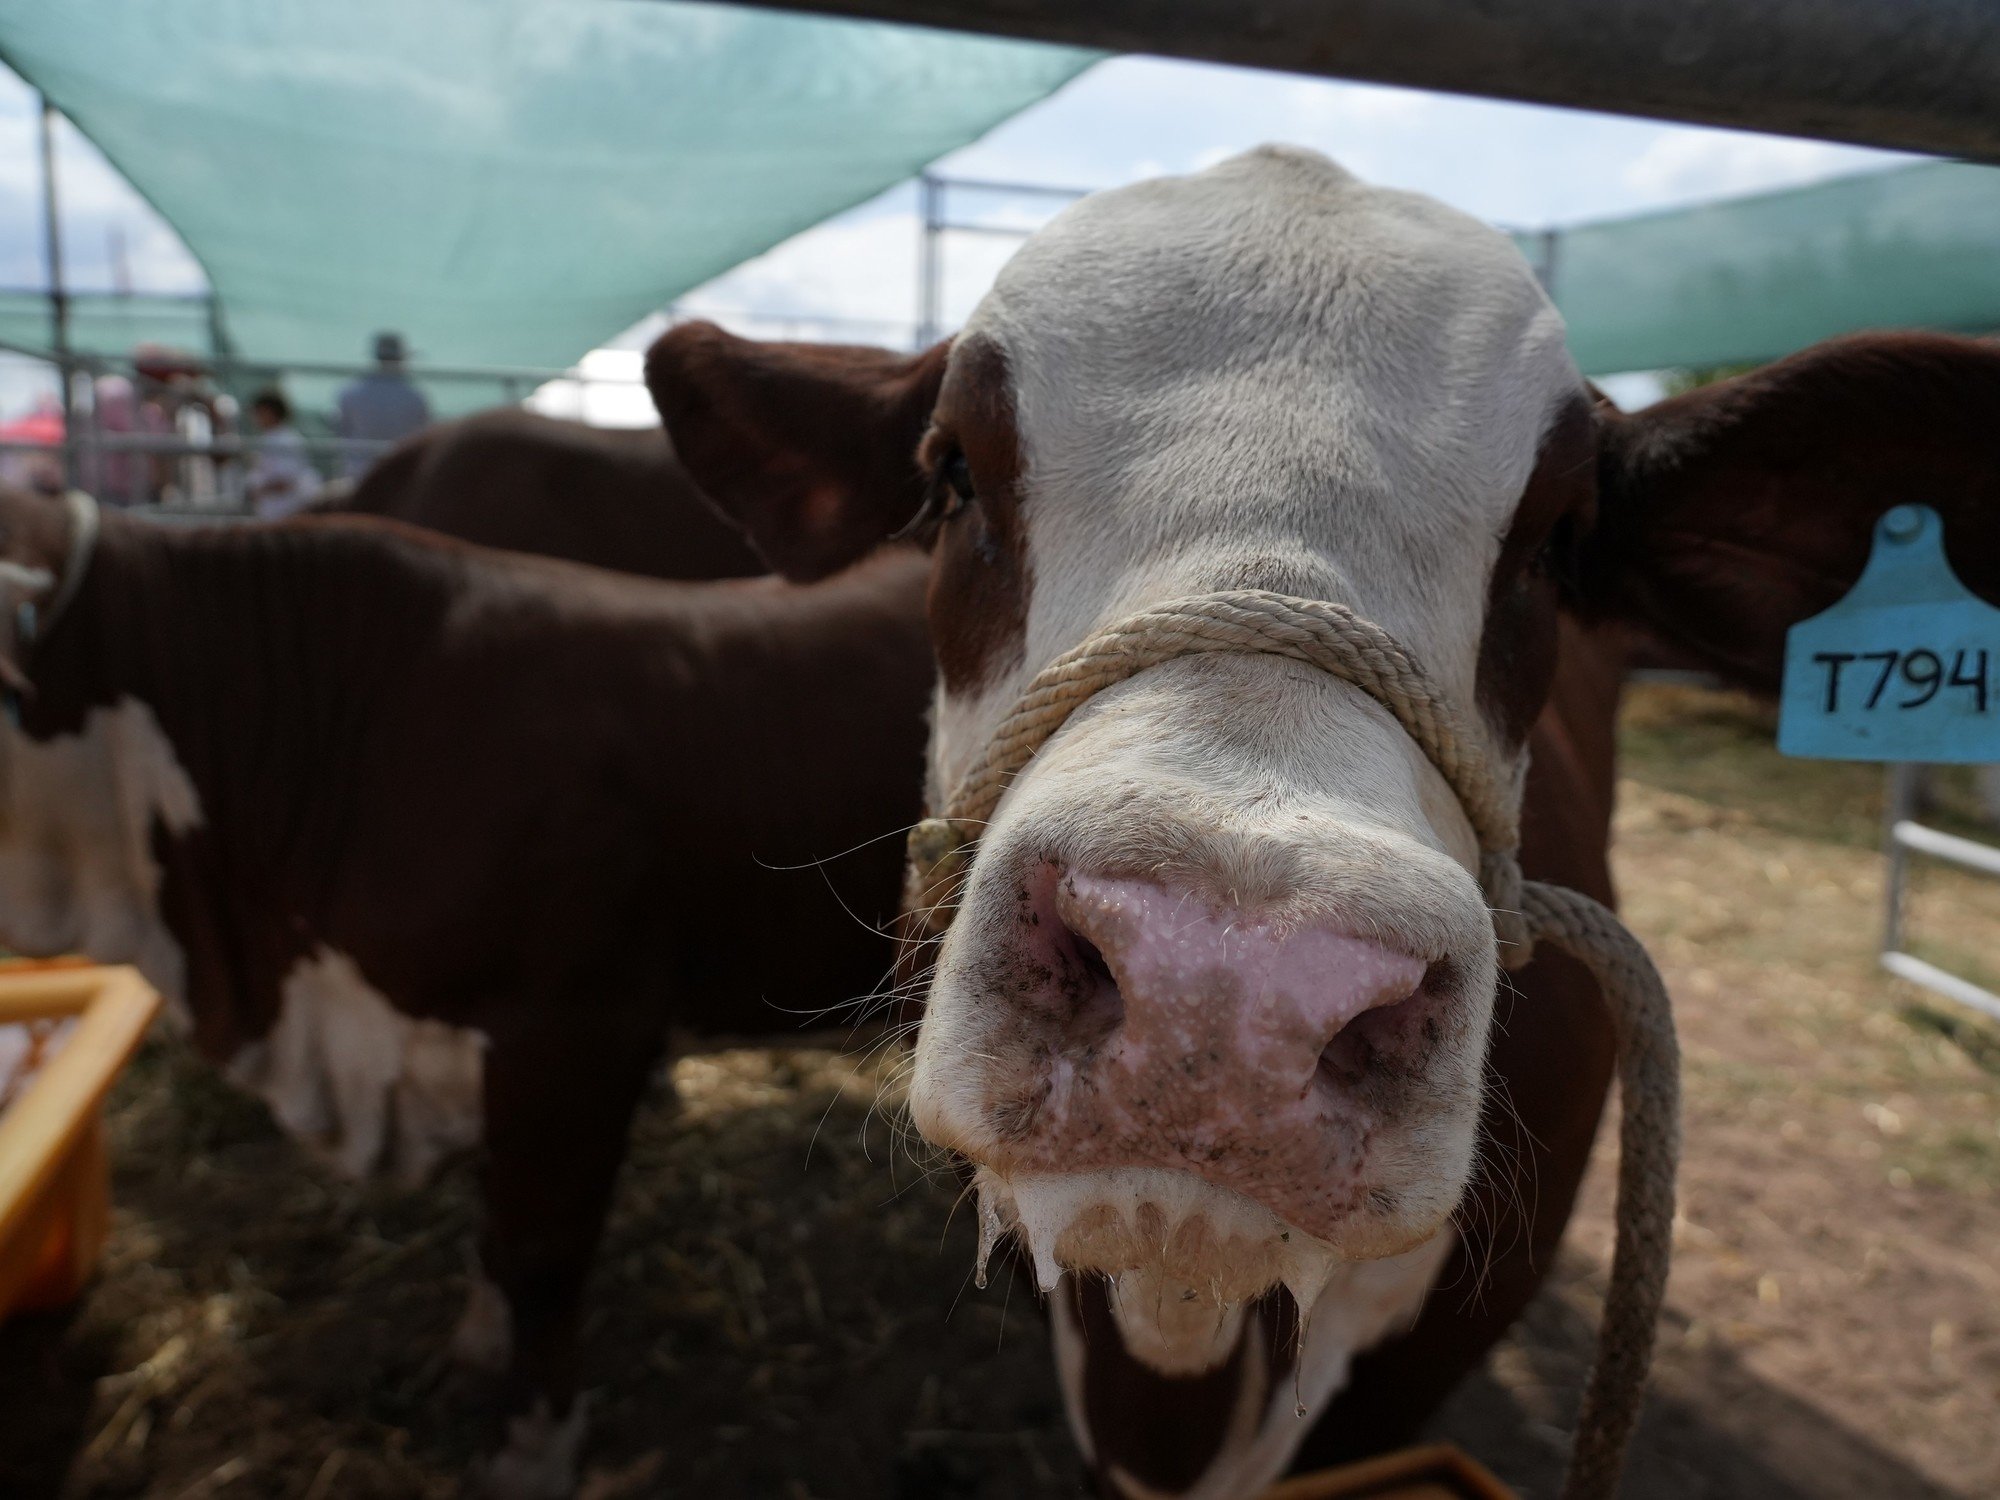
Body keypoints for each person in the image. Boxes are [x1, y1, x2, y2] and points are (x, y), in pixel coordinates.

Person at [335, 331, 431, 478]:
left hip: (359, 473)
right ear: (401, 359)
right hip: (402, 472)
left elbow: (342, 430)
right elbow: (423, 434)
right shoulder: (415, 396)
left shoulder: (350, 392)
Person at [244, 389, 319, 518]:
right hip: (272, 513)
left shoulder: (286, 440)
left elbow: (286, 480)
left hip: (287, 512)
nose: (255, 418)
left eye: (259, 412)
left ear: (270, 412)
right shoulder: (269, 438)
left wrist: (260, 489)